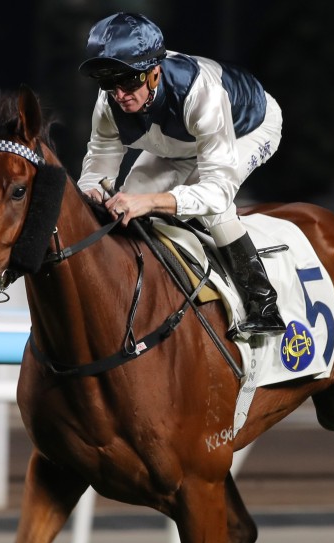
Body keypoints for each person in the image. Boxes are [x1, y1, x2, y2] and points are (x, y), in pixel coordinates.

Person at [76, 12, 285, 337]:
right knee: (127, 206)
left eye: (130, 81)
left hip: (249, 128)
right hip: (179, 144)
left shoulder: (201, 92)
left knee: (214, 209)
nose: (120, 95)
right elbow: (96, 171)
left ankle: (263, 304)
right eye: (108, 82)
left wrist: (149, 202)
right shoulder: (109, 104)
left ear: (155, 73)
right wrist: (92, 194)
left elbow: (217, 190)